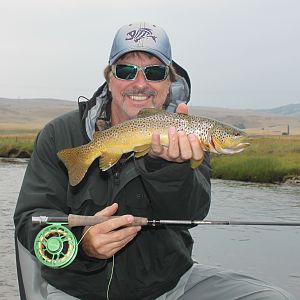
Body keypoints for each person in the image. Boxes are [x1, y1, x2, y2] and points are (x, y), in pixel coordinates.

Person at [14, 22, 295, 300]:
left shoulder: (187, 135)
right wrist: (81, 244)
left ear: (168, 83)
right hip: (77, 289)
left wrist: (168, 168)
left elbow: (192, 215)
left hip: (168, 287)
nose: (140, 83)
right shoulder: (59, 134)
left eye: (155, 72)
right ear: (109, 79)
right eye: (126, 71)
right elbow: (31, 219)